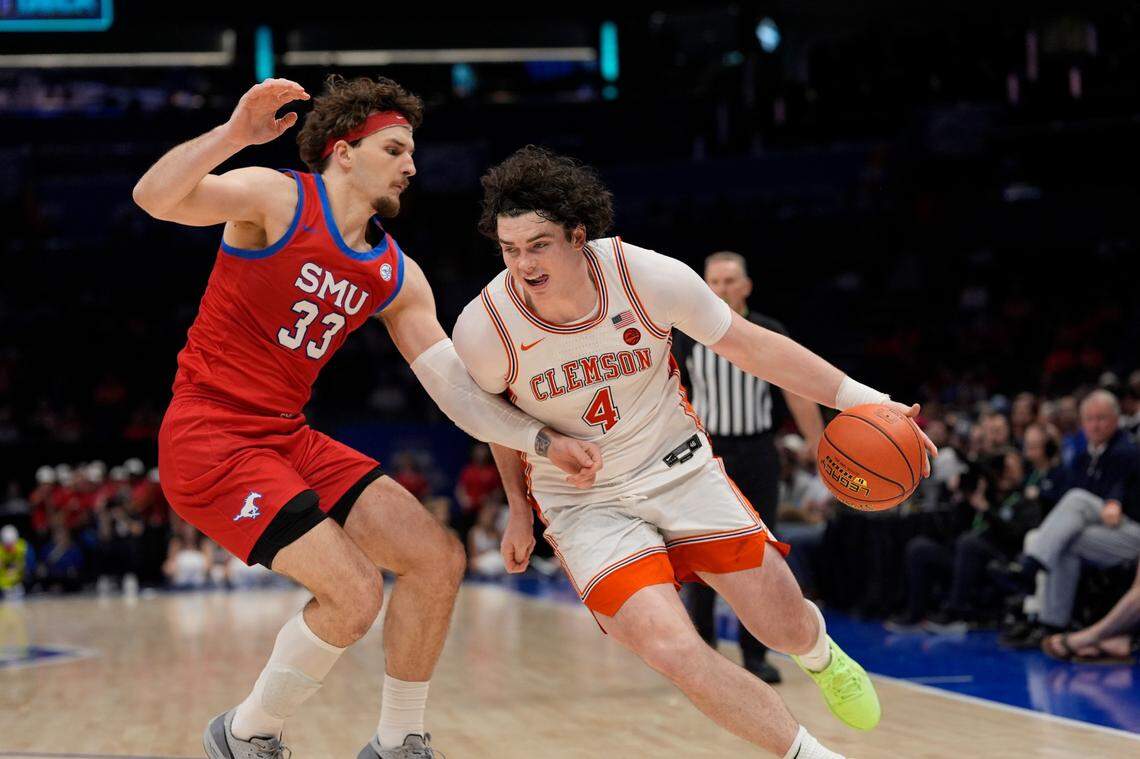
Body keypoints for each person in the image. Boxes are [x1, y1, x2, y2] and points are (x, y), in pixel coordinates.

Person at [132, 77, 601, 759]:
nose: (410, 164)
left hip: (284, 436)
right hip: (210, 437)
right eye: (393, 148)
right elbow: (154, 197)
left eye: (412, 151)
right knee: (352, 595)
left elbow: (454, 390)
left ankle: (395, 741)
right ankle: (245, 732)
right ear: (343, 154)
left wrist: (540, 438)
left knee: (436, 558)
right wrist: (234, 135)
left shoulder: (395, 273)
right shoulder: (277, 197)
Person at [452, 146, 938, 759]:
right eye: (509, 248)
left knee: (781, 623)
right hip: (583, 501)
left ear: (578, 234)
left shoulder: (645, 276)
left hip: (677, 467)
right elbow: (495, 417)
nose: (523, 263)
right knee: (673, 648)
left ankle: (818, 653)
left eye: (539, 244)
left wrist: (871, 401)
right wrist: (520, 509)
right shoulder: (484, 325)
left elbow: (754, 347)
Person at [672, 250, 824, 684]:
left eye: (729, 280)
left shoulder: (769, 332)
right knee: (703, 552)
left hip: (758, 453)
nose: (721, 288)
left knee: (761, 554)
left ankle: (755, 654)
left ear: (746, 286)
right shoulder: (684, 336)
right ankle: (703, 652)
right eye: (714, 281)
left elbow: (798, 388)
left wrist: (816, 443)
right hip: (707, 454)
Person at [993, 390, 1140, 646]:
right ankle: (1050, 624)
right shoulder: (1083, 458)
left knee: (1076, 499)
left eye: (1102, 418)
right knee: (1061, 542)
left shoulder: (1127, 451)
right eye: (1090, 419)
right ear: (1082, 423)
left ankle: (1029, 568)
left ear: (1116, 420)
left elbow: (1123, 487)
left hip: (1130, 531)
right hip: (1099, 530)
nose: (1095, 424)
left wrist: (1116, 501)